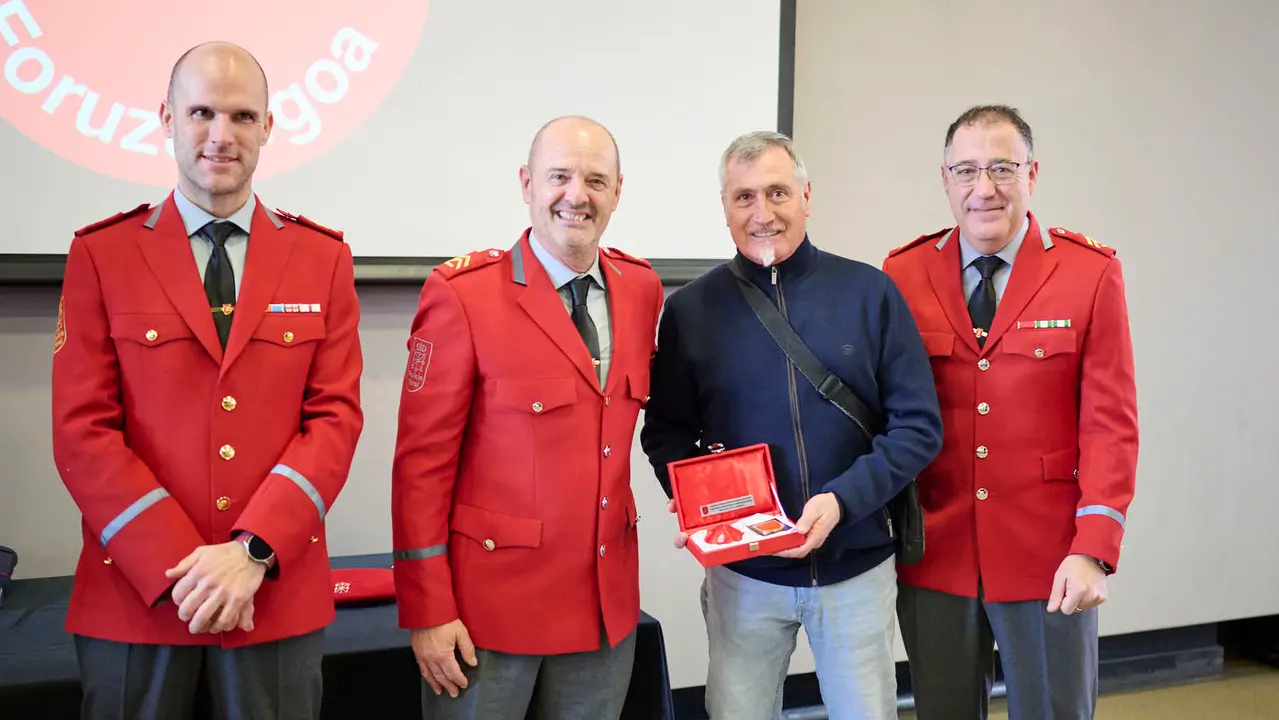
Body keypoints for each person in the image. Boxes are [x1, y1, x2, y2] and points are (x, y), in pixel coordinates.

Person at [50, 41, 364, 719]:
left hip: (271, 588)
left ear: (269, 129)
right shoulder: (102, 255)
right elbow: (82, 431)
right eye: (201, 113)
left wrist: (251, 550)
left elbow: (335, 421)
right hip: (135, 595)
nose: (221, 136)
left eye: (243, 116)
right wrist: (186, 566)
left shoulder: (322, 259)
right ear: (165, 118)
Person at [639, 130, 944, 720]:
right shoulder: (690, 312)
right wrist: (692, 498)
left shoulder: (870, 293)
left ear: (806, 195)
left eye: (777, 192)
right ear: (724, 209)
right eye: (744, 197)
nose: (762, 213)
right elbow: (667, 433)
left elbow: (917, 427)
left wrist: (842, 501)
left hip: (856, 565)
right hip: (744, 577)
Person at [390, 115, 664, 720]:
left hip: (602, 609)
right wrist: (428, 609)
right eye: (559, 176)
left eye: (596, 180)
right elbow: (420, 467)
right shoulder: (463, 293)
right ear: (526, 183)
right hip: (490, 615)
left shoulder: (642, 290)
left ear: (618, 190)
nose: (577, 195)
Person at [882, 104, 1140, 719]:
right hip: (936, 553)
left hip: (1048, 556)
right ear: (945, 179)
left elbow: (1111, 424)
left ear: (1033, 174)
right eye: (966, 170)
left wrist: (1095, 548)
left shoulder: (1089, 272)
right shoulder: (903, 272)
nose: (985, 189)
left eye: (1003, 167)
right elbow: (885, 413)